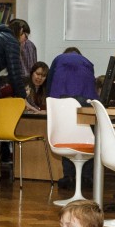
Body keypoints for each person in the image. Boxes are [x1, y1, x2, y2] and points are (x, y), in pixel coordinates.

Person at [46, 47, 98, 189]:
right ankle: (87, 177)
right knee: (89, 137)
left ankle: (68, 176)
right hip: (85, 102)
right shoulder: (87, 62)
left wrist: (50, 104)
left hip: (62, 101)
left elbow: (49, 84)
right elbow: (92, 86)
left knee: (66, 137)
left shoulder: (58, 59)